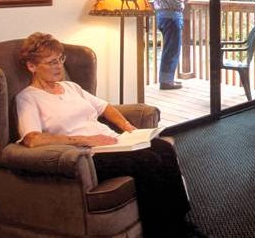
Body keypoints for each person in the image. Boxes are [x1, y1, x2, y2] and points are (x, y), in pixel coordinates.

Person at [15, 32, 190, 238]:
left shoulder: (71, 87)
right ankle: (163, 233)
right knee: (147, 160)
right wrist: (86, 140)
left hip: (112, 143)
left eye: (61, 60)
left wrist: (128, 127)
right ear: (32, 66)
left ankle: (183, 226)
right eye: (51, 62)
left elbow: (105, 107)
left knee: (164, 148)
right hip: (89, 155)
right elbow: (32, 138)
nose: (58, 66)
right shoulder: (28, 98)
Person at [152, 0, 190, 90]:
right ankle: (167, 82)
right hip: (171, 17)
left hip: (163, 16)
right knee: (172, 50)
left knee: (169, 49)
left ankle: (167, 80)